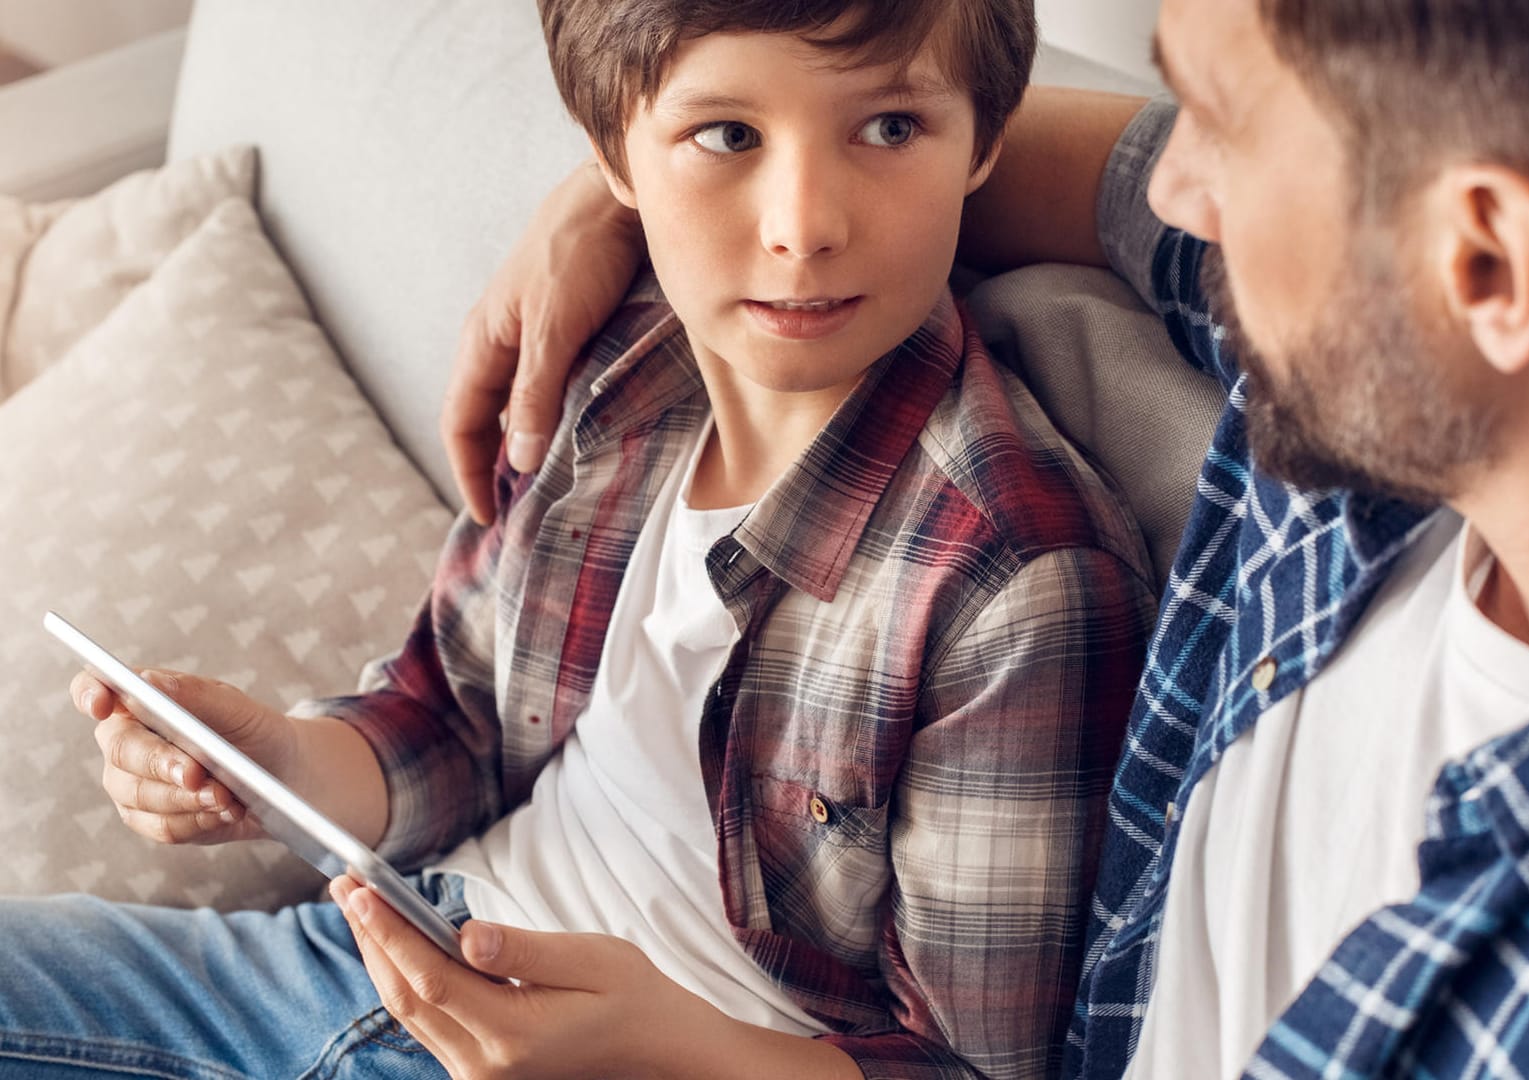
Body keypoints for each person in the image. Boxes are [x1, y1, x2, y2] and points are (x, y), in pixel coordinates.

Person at [444, 0, 1529, 1076]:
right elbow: (980, 147)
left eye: (1221, 130)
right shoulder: (1406, 387)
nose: (1174, 192)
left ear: (1486, 262)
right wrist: (630, 180)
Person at [0, 1, 1158, 1078]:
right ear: (613, 161)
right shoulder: (614, 361)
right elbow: (452, 721)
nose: (804, 226)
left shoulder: (1020, 586)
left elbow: (977, 1067)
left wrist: (668, 1052)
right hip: (377, 955)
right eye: (728, 135)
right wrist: (273, 769)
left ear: (984, 141)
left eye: (891, 126)